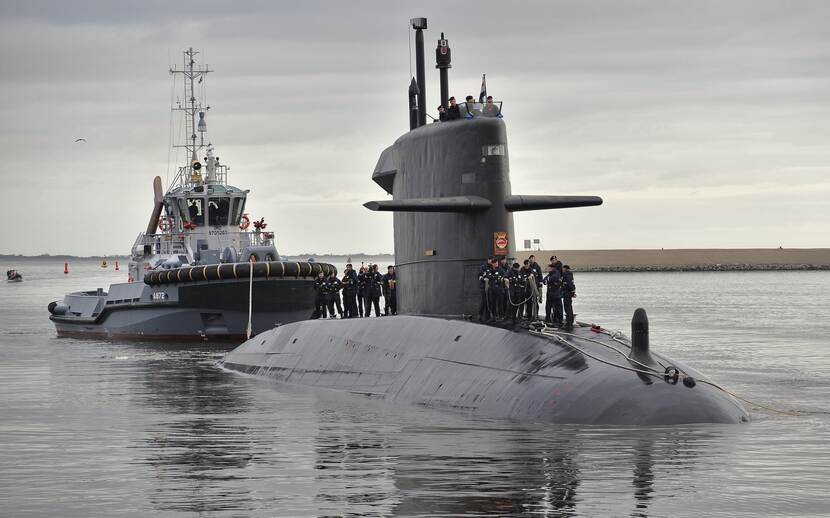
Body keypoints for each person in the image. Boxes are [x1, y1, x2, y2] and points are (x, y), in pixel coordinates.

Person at [543, 261, 564, 326]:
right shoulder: (550, 274)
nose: (548, 269)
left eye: (549, 268)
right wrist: (548, 280)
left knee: (558, 308)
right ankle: (548, 319)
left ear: (552, 268)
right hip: (549, 294)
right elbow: (544, 280)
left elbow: (553, 278)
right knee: (548, 308)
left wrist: (548, 280)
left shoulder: (556, 273)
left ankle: (559, 320)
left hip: (556, 294)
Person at [478, 257, 495, 321]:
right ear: (488, 260)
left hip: (491, 287)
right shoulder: (483, 267)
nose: (491, 261)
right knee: (484, 301)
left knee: (490, 301)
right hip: (484, 287)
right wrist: (483, 278)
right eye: (490, 259)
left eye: (492, 260)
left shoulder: (493, 267)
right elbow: (480, 275)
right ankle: (480, 314)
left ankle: (488, 316)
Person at [562, 265, 576, 330]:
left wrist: (572, 292)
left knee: (568, 309)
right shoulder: (570, 275)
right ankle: (570, 322)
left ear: (565, 269)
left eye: (563, 268)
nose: (562, 270)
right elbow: (572, 285)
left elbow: (570, 285)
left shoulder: (566, 276)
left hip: (567, 294)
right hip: (568, 294)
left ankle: (569, 323)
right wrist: (573, 292)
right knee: (569, 308)